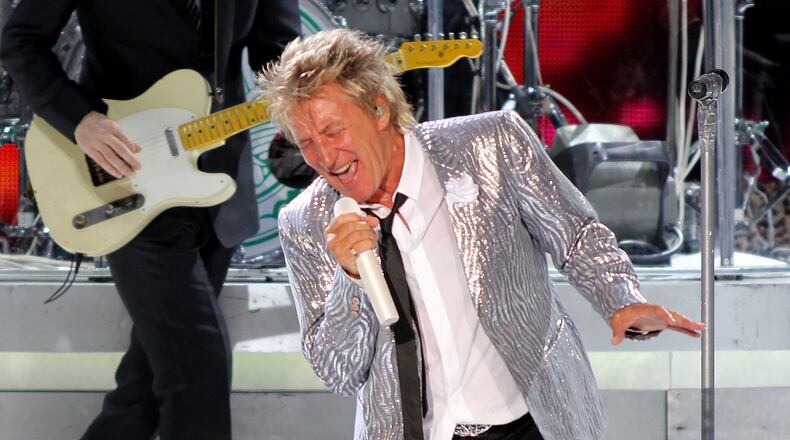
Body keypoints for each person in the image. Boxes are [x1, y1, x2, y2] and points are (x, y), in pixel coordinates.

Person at [259, 29, 704, 440]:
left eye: (333, 131)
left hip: (531, 423)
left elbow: (576, 234)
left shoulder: (489, 144)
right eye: (306, 142)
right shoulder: (307, 221)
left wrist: (620, 298)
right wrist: (349, 279)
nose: (323, 156)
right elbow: (338, 372)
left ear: (378, 109)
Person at [0, 1, 299, 439]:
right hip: (124, 176)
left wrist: (304, 93)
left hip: (217, 176)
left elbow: (278, 47)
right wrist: (81, 119)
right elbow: (20, 41)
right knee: (198, 366)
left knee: (148, 383)